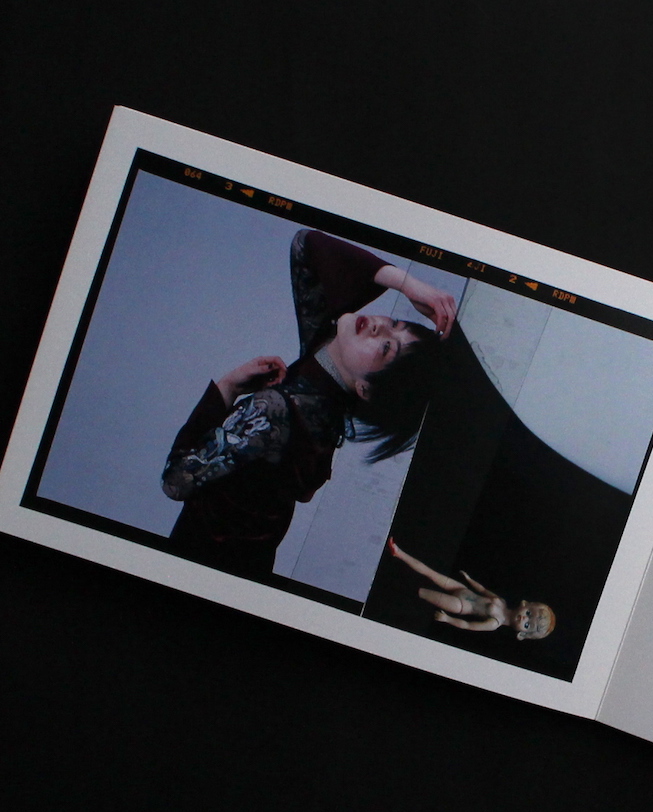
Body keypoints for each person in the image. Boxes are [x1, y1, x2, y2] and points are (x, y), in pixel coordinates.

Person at [161, 229, 456, 579]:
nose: (379, 326)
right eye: (394, 322)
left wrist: (227, 387)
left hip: (199, 566)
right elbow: (305, 246)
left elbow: (175, 481)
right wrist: (408, 284)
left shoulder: (278, 410)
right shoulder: (326, 368)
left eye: (386, 348)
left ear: (365, 388)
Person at [387, 538, 556, 640]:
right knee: (430, 572)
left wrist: (448, 619)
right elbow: (482, 590)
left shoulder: (494, 623)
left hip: (459, 605)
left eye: (526, 625)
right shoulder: (502, 602)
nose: (524, 618)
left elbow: (468, 625)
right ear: (526, 604)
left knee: (420, 592)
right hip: (462, 589)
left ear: (521, 634)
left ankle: (390, 582)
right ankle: (399, 553)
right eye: (529, 613)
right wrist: (469, 580)